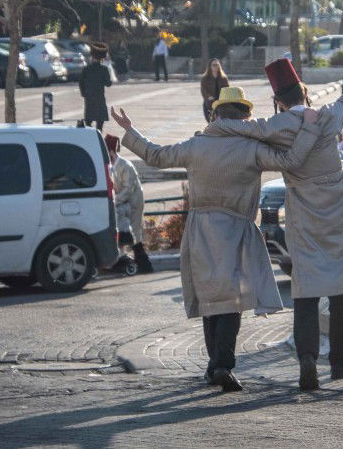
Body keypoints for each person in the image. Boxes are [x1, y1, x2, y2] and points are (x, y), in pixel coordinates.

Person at [208, 38, 343, 390]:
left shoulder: (274, 127)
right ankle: (339, 361)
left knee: (306, 292)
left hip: (304, 215)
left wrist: (210, 130)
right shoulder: (329, 116)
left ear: (278, 99)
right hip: (339, 212)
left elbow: (237, 127)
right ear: (304, 91)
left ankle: (307, 359)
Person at [111, 88, 323, 392]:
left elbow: (156, 155)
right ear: (245, 116)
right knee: (231, 300)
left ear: (217, 115)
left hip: (200, 228)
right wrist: (311, 127)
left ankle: (215, 366)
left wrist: (130, 130)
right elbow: (291, 159)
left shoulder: (197, 145)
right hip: (235, 228)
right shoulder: (251, 149)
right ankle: (222, 364)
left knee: (210, 298)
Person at [105, 134, 153, 273]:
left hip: (134, 202)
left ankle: (144, 264)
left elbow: (128, 188)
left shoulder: (125, 166)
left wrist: (114, 200)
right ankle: (124, 260)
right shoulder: (112, 166)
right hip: (124, 201)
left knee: (135, 231)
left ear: (112, 151)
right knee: (124, 231)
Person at [79, 42, 112, 131]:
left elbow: (81, 81)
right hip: (99, 97)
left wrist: (83, 93)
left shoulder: (87, 69)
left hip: (89, 97)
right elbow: (108, 84)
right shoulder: (104, 69)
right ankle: (98, 138)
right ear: (103, 57)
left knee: (88, 120)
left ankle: (90, 138)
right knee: (100, 122)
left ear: (92, 55)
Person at [200, 59, 230, 123]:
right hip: (209, 103)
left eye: (217, 65)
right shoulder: (205, 78)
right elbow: (203, 90)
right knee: (210, 121)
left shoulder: (223, 78)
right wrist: (208, 97)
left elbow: (227, 89)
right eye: (214, 65)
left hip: (221, 103)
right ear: (210, 66)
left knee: (222, 121)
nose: (216, 66)